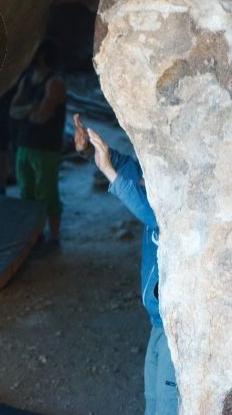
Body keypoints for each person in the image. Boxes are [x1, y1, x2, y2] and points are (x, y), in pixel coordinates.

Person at [73, 114, 178, 415]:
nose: (143, 179)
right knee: (154, 399)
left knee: (168, 405)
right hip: (158, 323)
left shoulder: (173, 204)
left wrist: (109, 172)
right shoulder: (153, 176)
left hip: (173, 327)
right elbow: (131, 168)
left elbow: (154, 216)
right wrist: (89, 151)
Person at [9, 40, 66, 244]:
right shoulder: (27, 80)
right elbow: (13, 111)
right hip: (24, 145)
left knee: (47, 193)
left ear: (41, 56)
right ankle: (36, 235)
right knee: (27, 192)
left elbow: (41, 116)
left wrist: (26, 111)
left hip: (45, 148)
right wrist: (31, 109)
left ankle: (54, 237)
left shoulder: (54, 83)